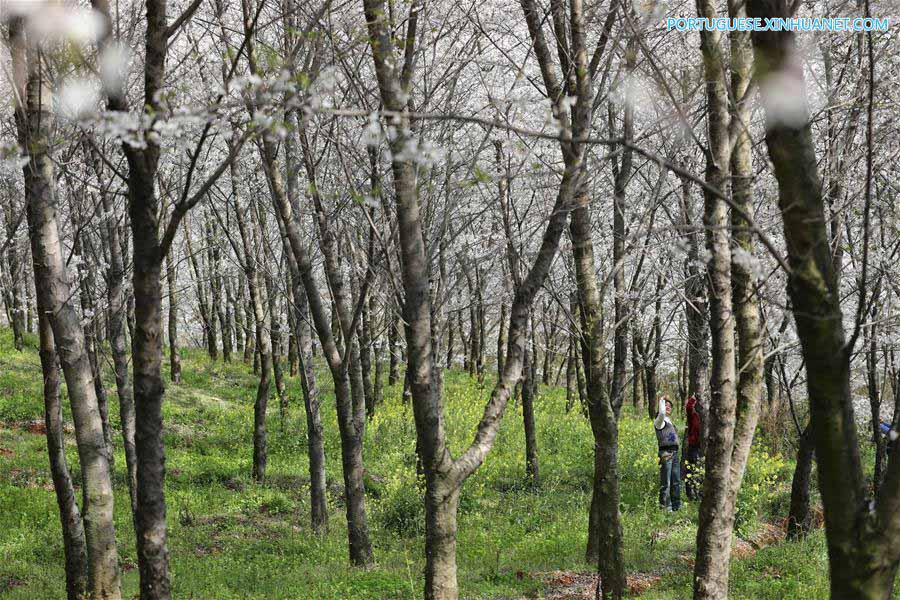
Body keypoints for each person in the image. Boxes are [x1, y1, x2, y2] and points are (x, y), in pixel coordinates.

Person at [654, 395, 681, 511]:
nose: (668, 407)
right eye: (666, 405)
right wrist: (661, 400)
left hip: (674, 453)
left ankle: (676, 507)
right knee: (666, 482)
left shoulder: (670, 421)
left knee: (676, 481)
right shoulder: (659, 421)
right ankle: (665, 508)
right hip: (665, 453)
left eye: (670, 406)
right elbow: (661, 413)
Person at [684, 395, 703, 500]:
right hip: (694, 447)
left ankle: (700, 494)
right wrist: (694, 398)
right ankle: (690, 495)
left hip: (705, 448)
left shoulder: (710, 416)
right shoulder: (693, 416)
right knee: (691, 470)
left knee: (701, 471)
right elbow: (688, 407)